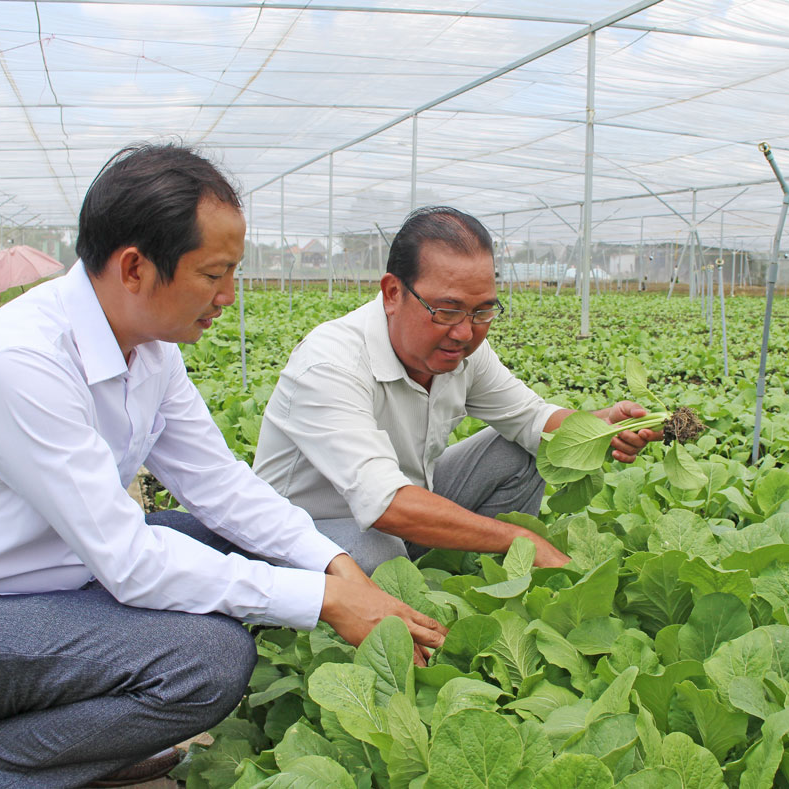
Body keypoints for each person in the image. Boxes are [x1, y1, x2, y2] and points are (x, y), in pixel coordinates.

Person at [0, 144, 445, 789]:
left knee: (250, 547)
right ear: (135, 267)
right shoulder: (21, 362)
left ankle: (89, 743)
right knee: (209, 660)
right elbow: (129, 563)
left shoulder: (150, 347)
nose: (228, 296)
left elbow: (219, 483)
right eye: (214, 273)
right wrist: (323, 601)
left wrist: (333, 566)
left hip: (53, 576)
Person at [253, 206, 661, 574]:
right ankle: (425, 581)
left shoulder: (462, 349)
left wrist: (598, 427)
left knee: (523, 451)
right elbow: (386, 504)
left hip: (407, 512)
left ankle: (479, 583)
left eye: (482, 311)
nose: (465, 333)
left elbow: (533, 419)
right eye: (446, 311)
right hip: (303, 534)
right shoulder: (331, 362)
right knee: (378, 551)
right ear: (393, 293)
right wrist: (516, 539)